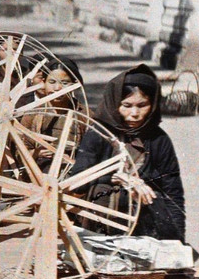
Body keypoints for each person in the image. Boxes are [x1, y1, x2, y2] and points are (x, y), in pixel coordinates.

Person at [66, 64, 186, 241]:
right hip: (99, 217)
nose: (135, 113)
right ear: (115, 104)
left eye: (142, 105)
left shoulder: (159, 140)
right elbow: (78, 180)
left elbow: (173, 192)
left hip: (144, 218)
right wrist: (122, 179)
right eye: (126, 105)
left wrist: (178, 239)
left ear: (152, 105)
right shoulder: (98, 134)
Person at [17, 57, 86, 172]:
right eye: (52, 82)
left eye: (65, 83)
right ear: (43, 82)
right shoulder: (33, 114)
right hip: (37, 178)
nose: (57, 88)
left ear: (75, 84)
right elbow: (19, 154)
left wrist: (72, 161)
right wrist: (36, 153)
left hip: (73, 177)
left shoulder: (84, 115)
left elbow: (94, 155)